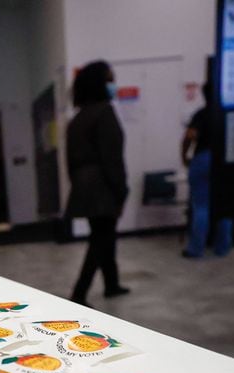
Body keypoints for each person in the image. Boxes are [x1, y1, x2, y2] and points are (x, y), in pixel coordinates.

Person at [65, 60, 130, 307]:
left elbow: (70, 163)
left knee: (103, 236)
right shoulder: (104, 112)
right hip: (103, 186)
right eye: (110, 79)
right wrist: (121, 191)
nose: (113, 84)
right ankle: (79, 292)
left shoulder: (78, 118)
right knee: (101, 239)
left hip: (85, 187)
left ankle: (111, 283)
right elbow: (112, 157)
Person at [181, 81, 215, 258]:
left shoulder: (201, 115)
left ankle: (196, 249)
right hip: (224, 162)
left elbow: (189, 136)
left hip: (202, 159)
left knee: (201, 206)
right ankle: (222, 247)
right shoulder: (226, 114)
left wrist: (184, 156)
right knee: (224, 207)